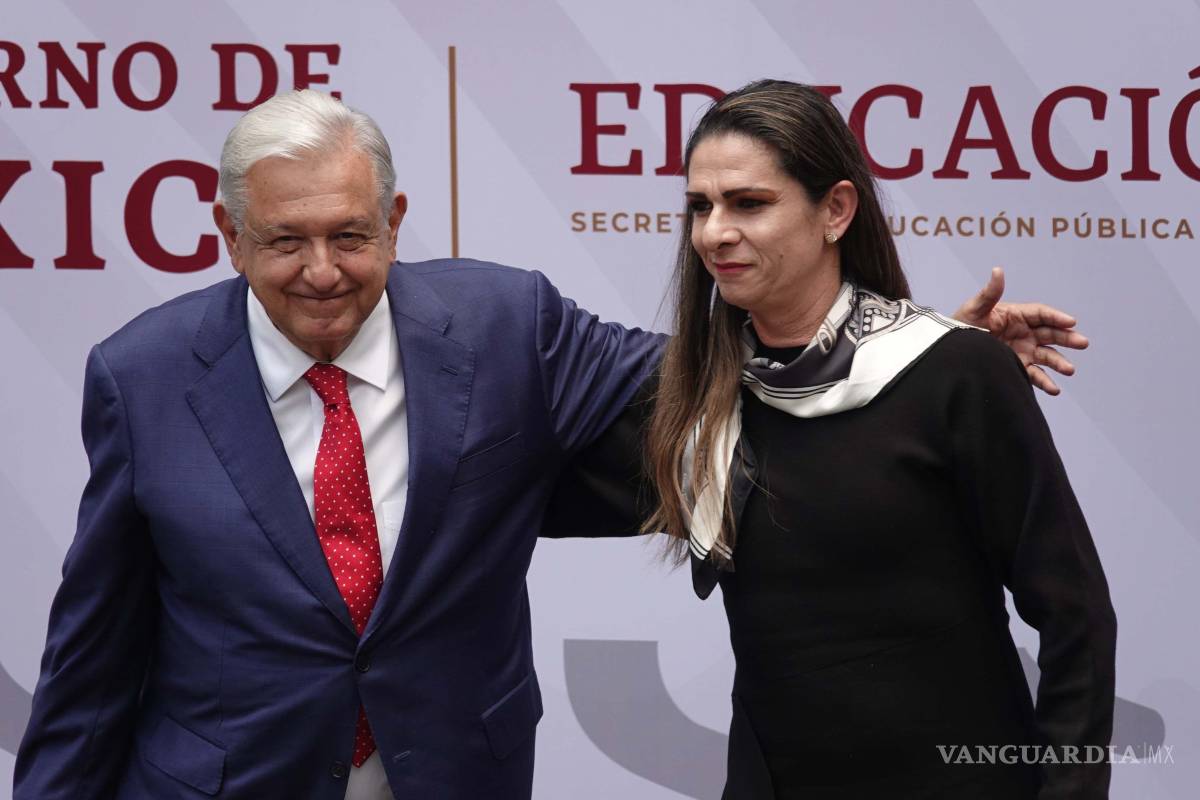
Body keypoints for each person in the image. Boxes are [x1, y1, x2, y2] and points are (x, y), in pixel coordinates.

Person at [15, 88, 1089, 800]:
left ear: (395, 220)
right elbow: (94, 652)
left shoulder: (502, 325)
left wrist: (918, 348)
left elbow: (730, 383)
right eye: (283, 240)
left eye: (350, 234)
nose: (322, 269)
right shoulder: (143, 373)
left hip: (452, 772)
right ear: (228, 234)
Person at [553, 80, 1116, 799]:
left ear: (836, 210)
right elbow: (505, 501)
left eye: (748, 203)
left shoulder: (956, 373)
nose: (713, 232)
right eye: (700, 207)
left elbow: (1076, 617)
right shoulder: (693, 407)